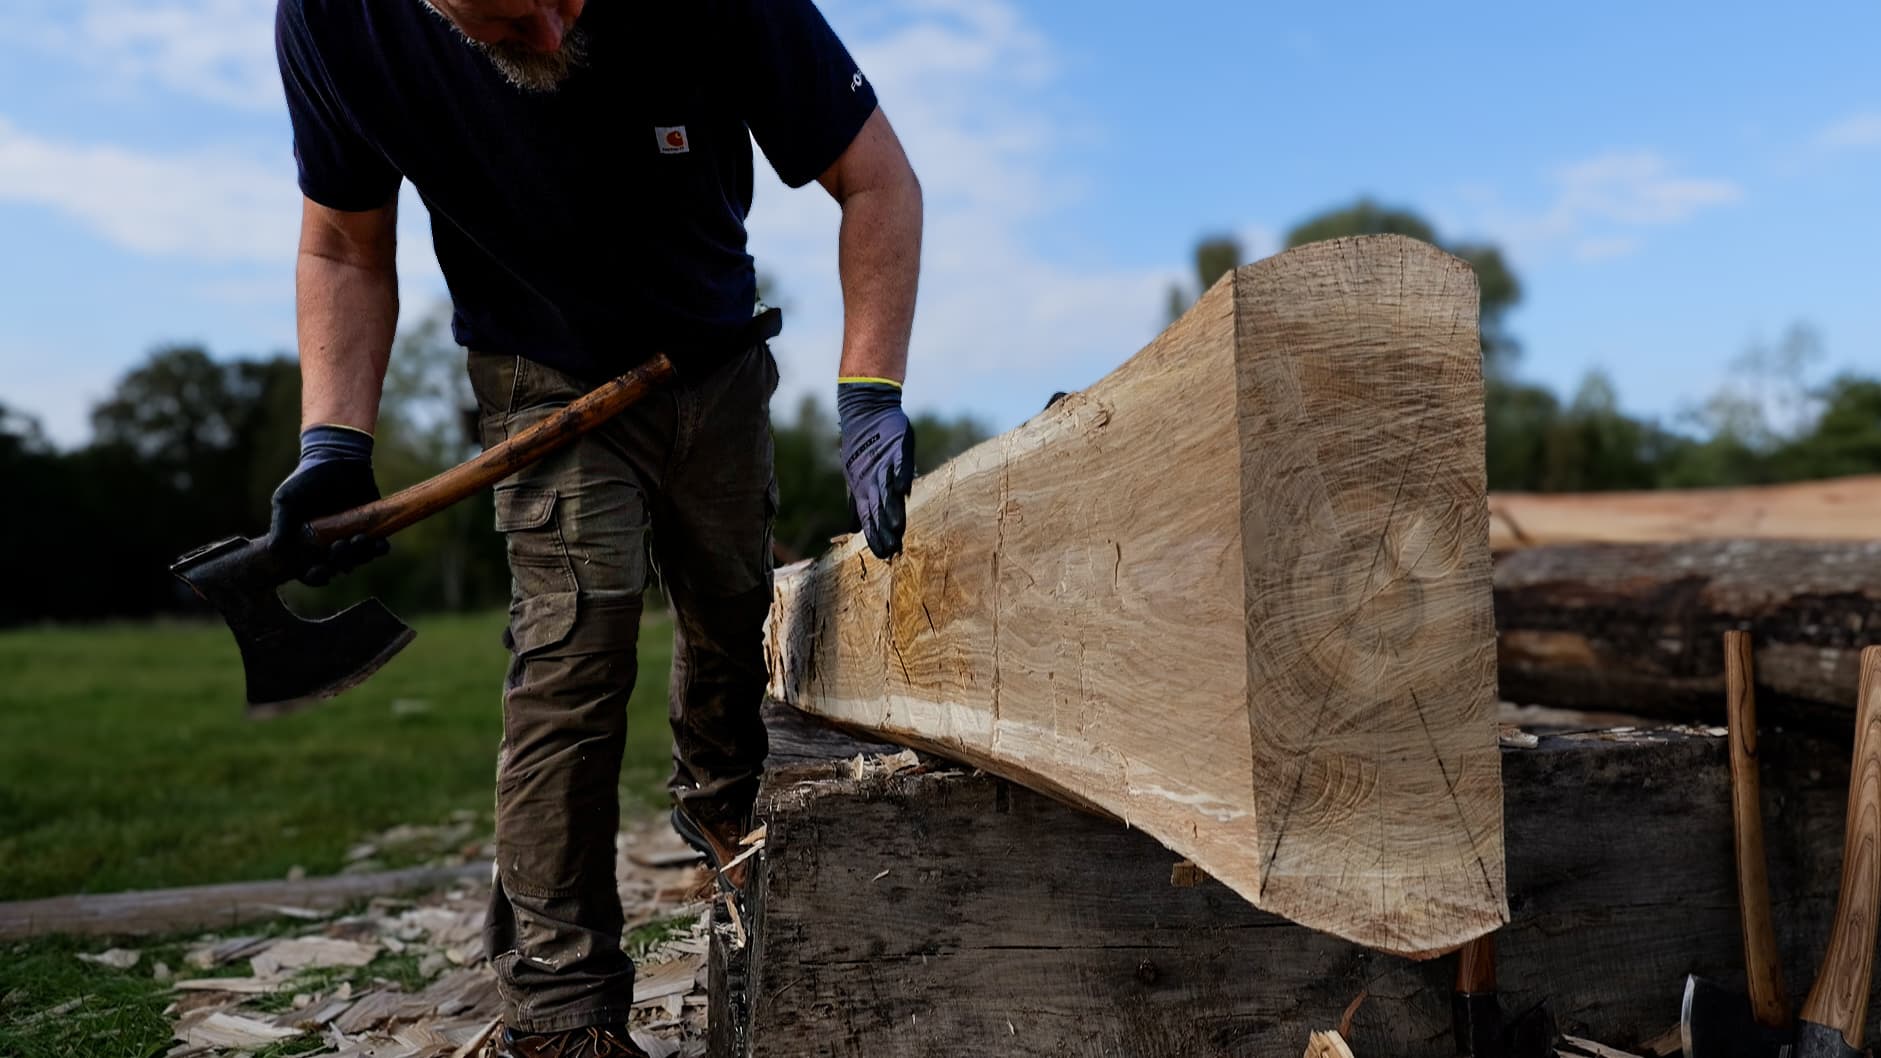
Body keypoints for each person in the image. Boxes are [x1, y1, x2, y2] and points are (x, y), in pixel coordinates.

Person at [268, 0, 923, 1053]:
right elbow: (344, 244)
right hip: (541, 369)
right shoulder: (337, 21)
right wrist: (332, 441)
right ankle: (562, 1003)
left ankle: (726, 817)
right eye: (505, 22)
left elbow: (878, 178)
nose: (548, 31)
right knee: (576, 651)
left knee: (734, 612)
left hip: (713, 352)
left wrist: (869, 392)